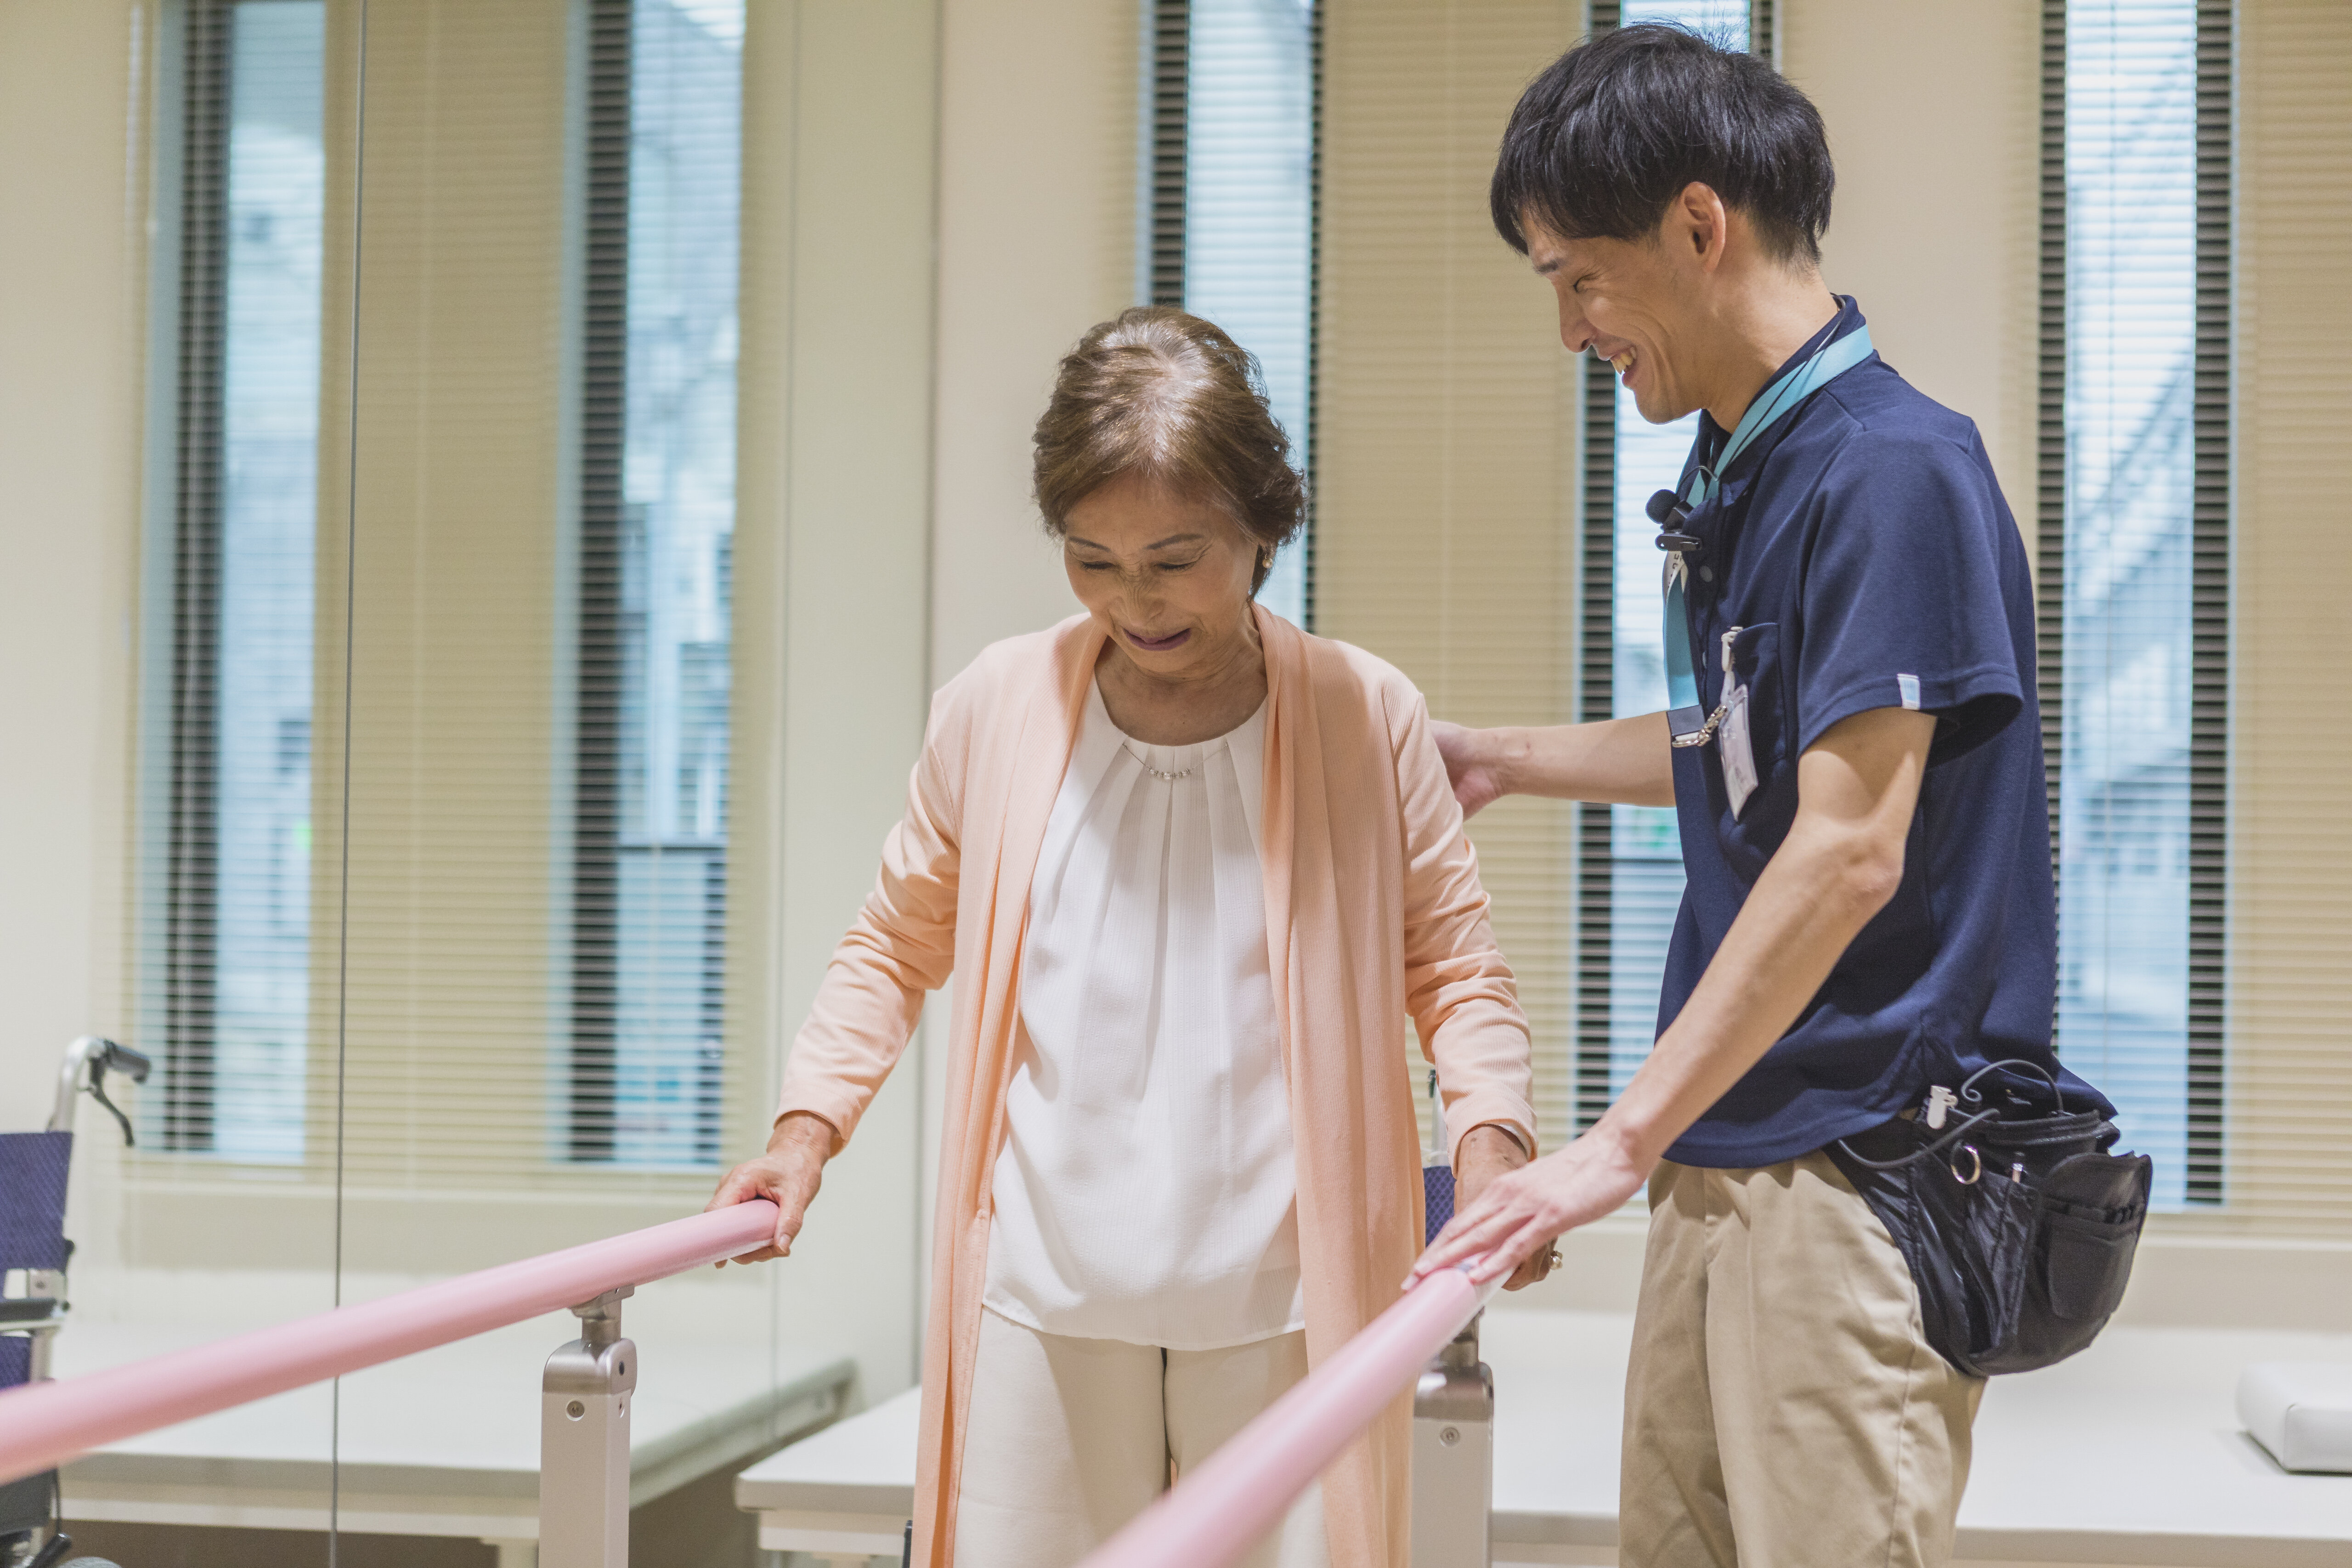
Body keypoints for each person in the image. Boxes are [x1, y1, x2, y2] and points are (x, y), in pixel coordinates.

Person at [1409, 24, 2117, 1568]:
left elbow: (1850, 847)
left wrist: (1613, 1141)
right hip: (1736, 1155)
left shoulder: (1892, 471)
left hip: (1859, 1170)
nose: (1572, 328)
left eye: (1574, 278)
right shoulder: (1762, 470)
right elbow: (1748, 745)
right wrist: (1509, 761)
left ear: (1698, 225)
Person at [709, 306, 1543, 1568]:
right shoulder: (995, 707)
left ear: (1262, 527)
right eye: (1092, 560)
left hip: (1287, 1291)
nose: (1133, 601)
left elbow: (1457, 968)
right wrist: (802, 1133)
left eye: (1173, 558)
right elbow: (893, 943)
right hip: (1046, 1291)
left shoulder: (1363, 714)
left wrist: (1491, 1148)